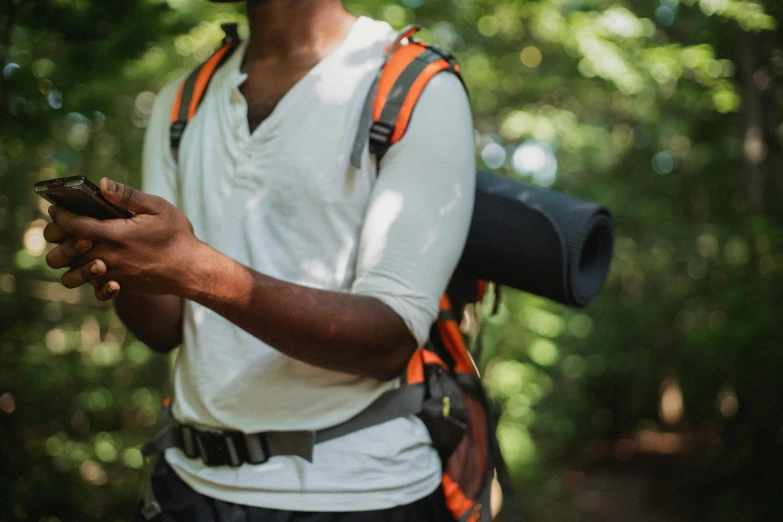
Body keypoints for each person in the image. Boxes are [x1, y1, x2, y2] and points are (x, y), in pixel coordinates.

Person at [42, 0, 475, 520]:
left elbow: (389, 341)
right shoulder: (185, 99)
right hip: (188, 484)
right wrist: (117, 255)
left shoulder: (415, 86)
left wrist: (194, 269)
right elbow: (165, 329)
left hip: (361, 492)